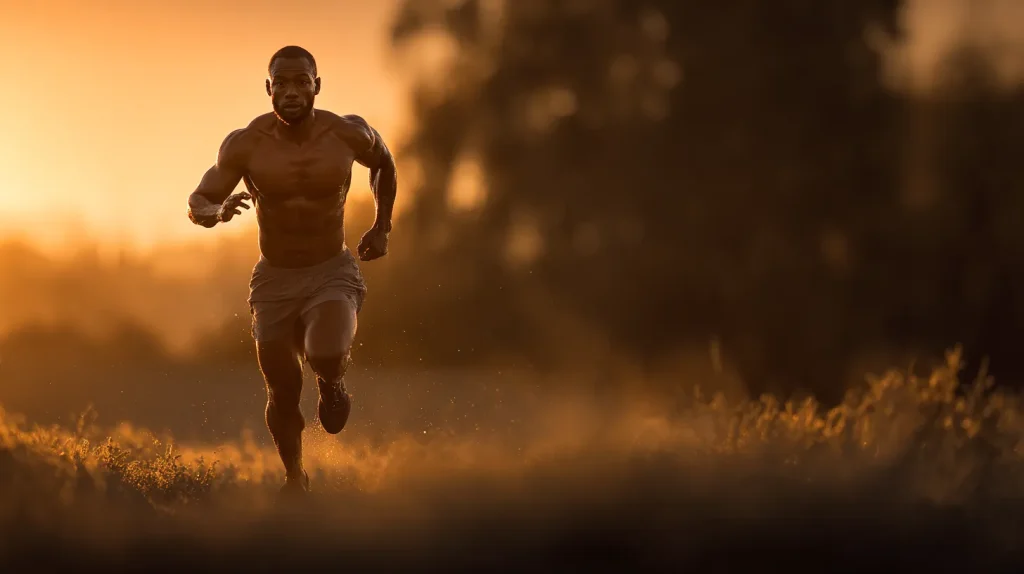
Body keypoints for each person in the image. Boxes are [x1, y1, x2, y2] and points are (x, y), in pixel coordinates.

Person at [185, 46, 397, 495]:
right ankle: (294, 477)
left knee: (322, 352)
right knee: (282, 390)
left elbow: (384, 163)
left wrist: (382, 226)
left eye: (302, 81)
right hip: (274, 280)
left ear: (317, 86)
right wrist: (218, 211)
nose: (292, 91)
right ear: (268, 90)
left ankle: (333, 382)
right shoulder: (245, 144)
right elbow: (198, 200)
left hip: (331, 270)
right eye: (281, 83)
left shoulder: (347, 133)